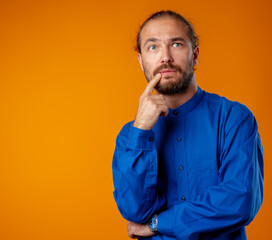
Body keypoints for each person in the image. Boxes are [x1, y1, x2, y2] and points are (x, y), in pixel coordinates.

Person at [112, 10, 264, 240]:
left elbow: (239, 201)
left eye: (176, 44)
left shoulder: (235, 118)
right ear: (141, 60)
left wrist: (157, 224)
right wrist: (141, 130)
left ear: (195, 55)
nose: (165, 57)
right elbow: (134, 211)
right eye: (153, 47)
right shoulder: (130, 136)